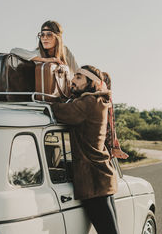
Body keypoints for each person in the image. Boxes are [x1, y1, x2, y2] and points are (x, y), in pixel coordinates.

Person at [50, 65, 128, 234]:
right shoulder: (98, 100)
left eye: (78, 77)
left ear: (91, 82)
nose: (73, 81)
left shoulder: (88, 102)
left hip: (93, 179)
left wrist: (51, 100)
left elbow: (62, 112)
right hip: (100, 176)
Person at [10, 20, 78, 77]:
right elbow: (14, 50)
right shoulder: (38, 53)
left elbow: (77, 71)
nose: (45, 38)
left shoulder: (65, 50)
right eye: (42, 35)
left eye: (49, 35)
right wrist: (45, 60)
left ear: (57, 38)